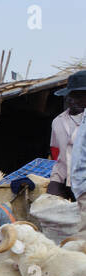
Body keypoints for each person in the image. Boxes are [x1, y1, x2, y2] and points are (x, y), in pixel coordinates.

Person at [48, 71, 86, 200]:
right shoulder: (58, 122)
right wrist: (56, 181)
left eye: (79, 96)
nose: (72, 100)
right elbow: (58, 156)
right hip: (70, 186)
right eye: (70, 95)